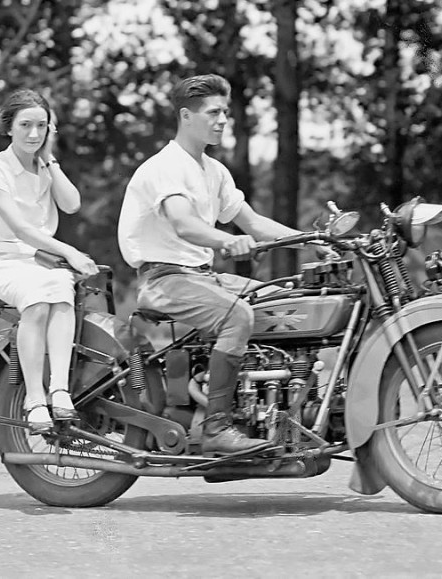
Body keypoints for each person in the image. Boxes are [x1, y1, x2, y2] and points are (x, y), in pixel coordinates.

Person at [118, 74, 317, 455]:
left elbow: (254, 223)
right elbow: (183, 223)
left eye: (225, 112)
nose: (223, 120)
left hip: (201, 276)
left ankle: (271, 405)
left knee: (287, 307)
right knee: (238, 316)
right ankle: (216, 428)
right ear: (186, 116)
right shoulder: (164, 166)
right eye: (214, 112)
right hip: (164, 277)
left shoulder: (214, 171)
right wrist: (228, 240)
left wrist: (313, 241)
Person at [0, 88, 99, 434]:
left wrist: (50, 159)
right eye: (25, 125)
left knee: (62, 288)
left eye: (41, 126)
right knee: (40, 299)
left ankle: (60, 389)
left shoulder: (44, 167)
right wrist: (69, 252)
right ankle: (35, 399)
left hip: (38, 262)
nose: (33, 134)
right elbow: (22, 230)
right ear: (8, 127)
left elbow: (71, 204)